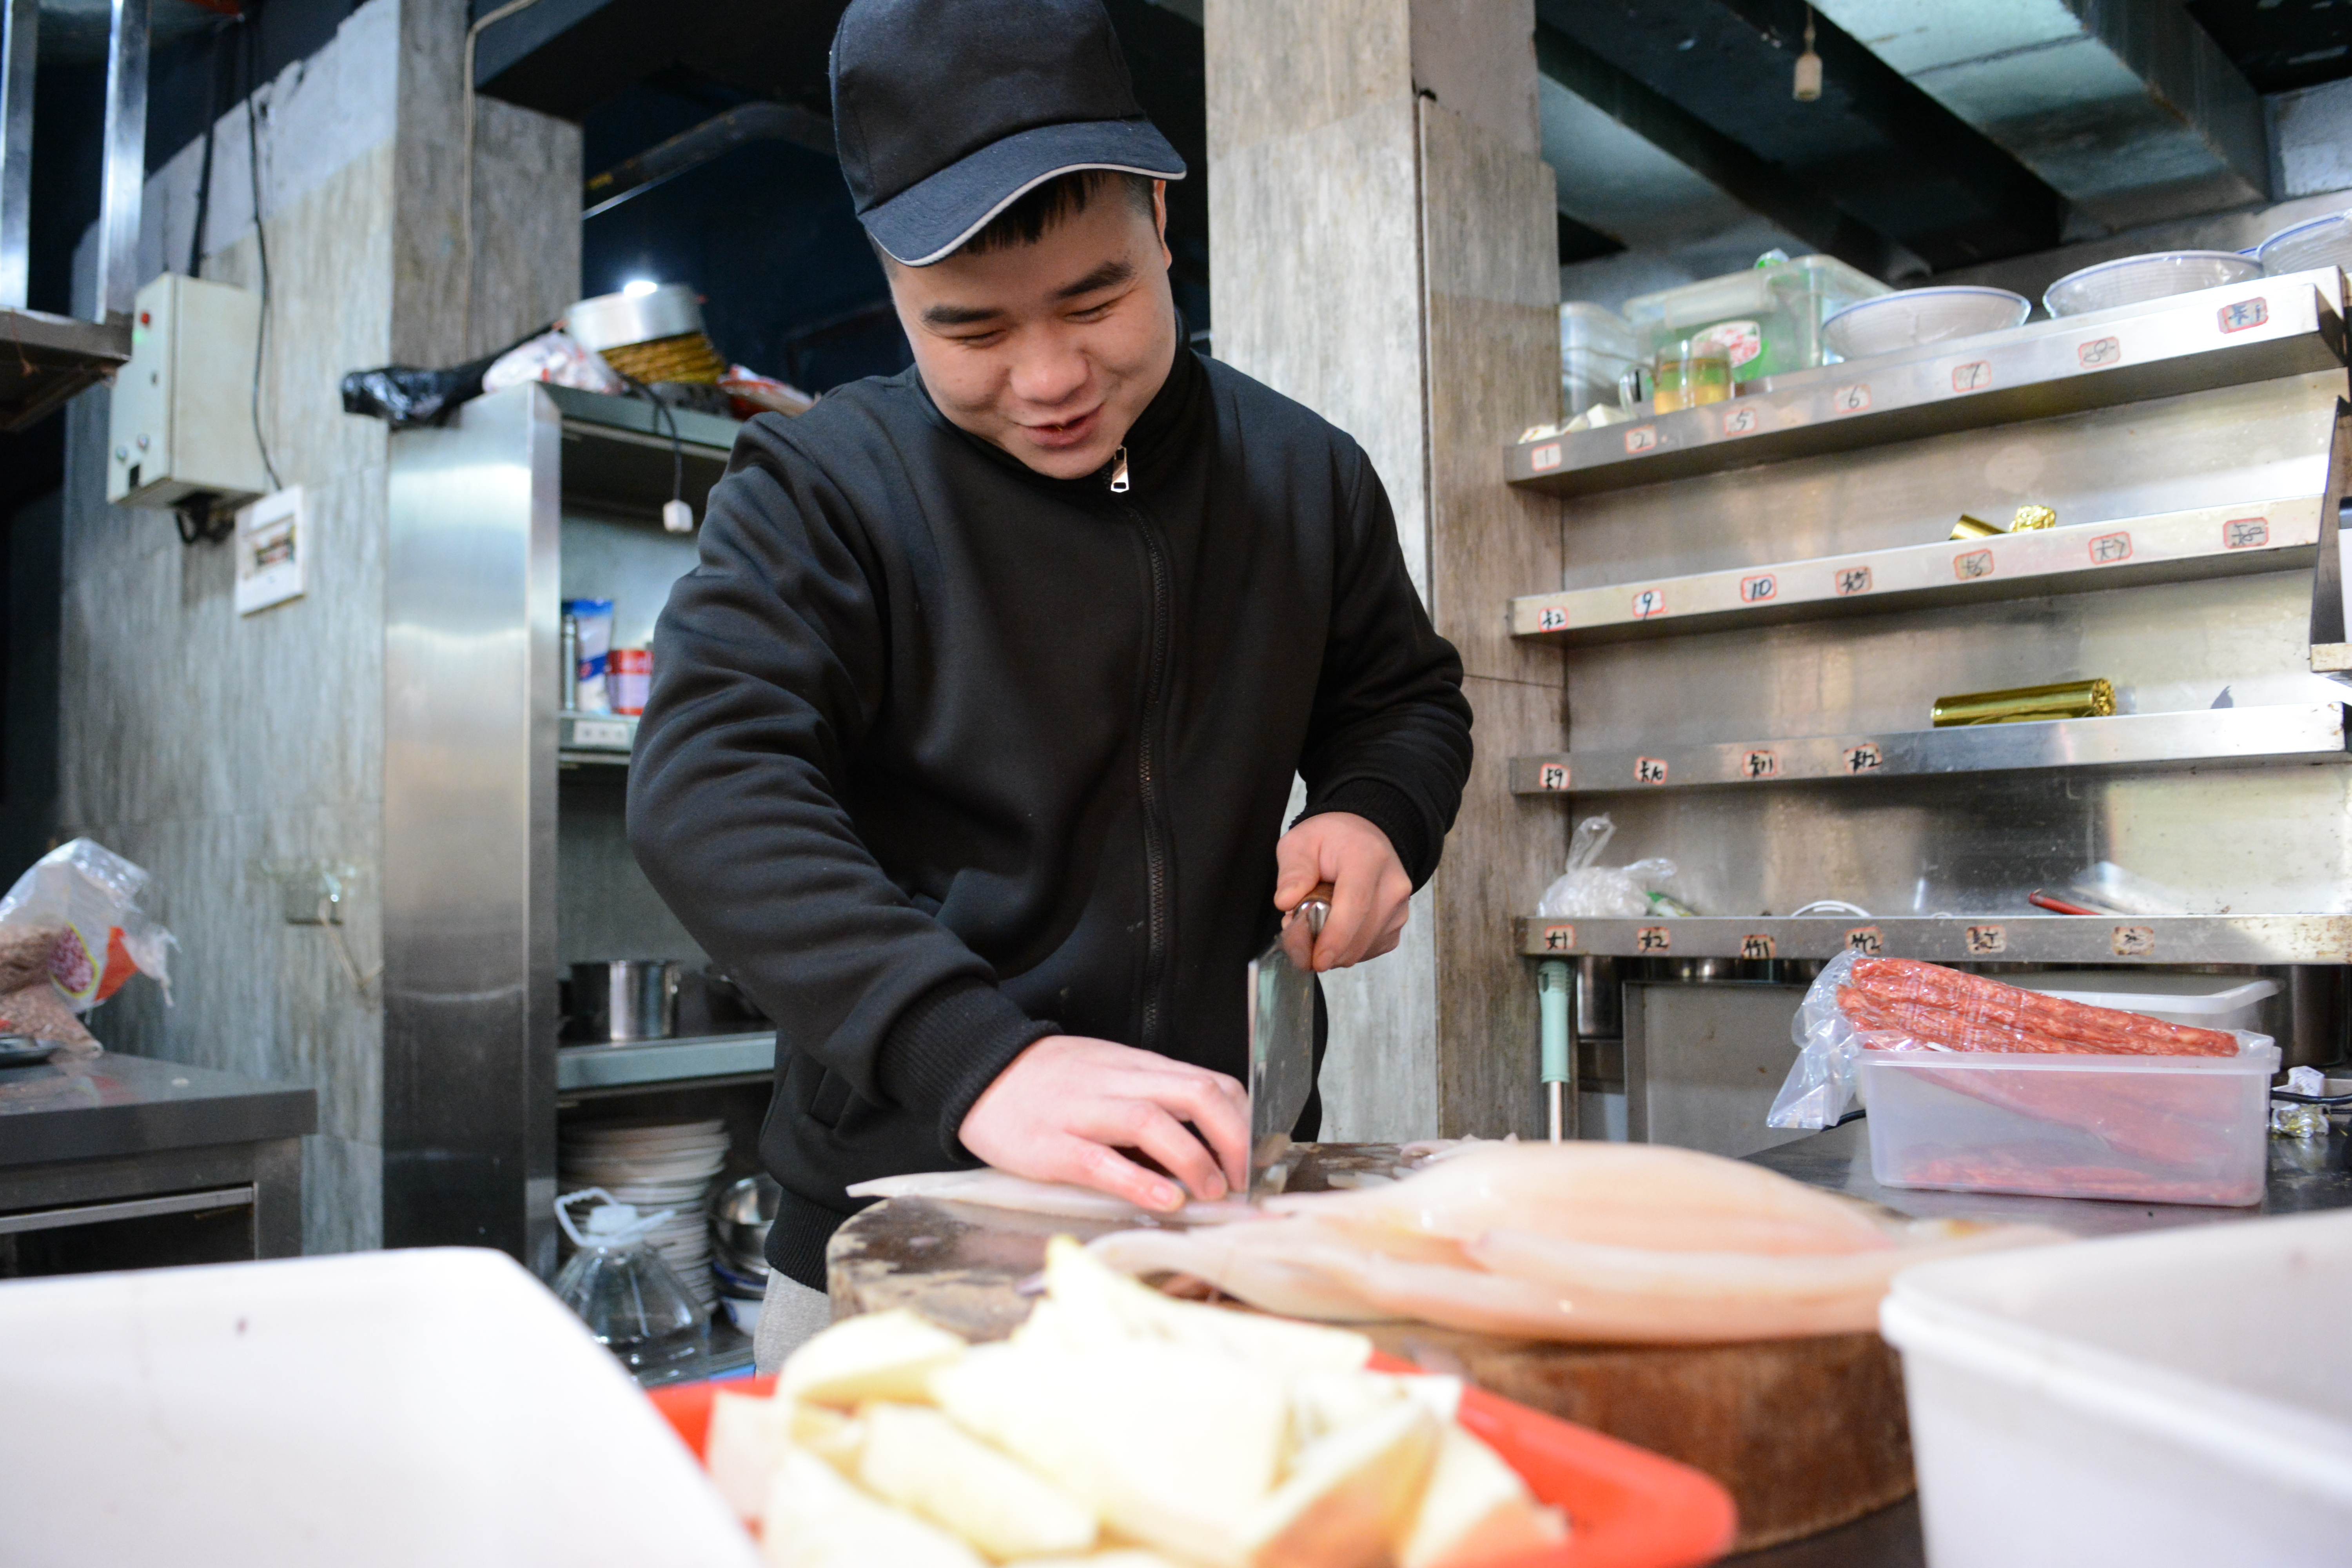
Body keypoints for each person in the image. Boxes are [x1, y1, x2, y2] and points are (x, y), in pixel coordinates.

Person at [628, 0, 1474, 1370]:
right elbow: (708, 783)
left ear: (1159, 215)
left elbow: (1406, 700)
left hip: (1225, 1223)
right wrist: (978, 1056)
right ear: (894, 285)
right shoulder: (824, 489)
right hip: (896, 1246)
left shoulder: (1302, 476)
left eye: (1097, 299)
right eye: (970, 330)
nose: (1051, 378)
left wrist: (1382, 812)